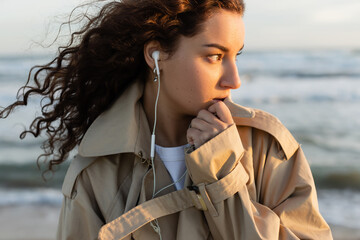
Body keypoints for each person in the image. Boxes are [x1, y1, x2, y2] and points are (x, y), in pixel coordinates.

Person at [0, 0, 333, 239]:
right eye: (215, 56)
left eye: (235, 56)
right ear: (155, 55)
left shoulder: (267, 147)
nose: (234, 80)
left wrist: (223, 176)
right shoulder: (97, 172)